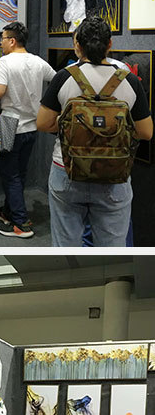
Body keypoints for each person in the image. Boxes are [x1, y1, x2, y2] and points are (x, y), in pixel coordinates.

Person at [37, 17, 152, 247]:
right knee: (112, 250)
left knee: (66, 248)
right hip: (114, 173)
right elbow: (146, 132)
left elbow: (43, 124)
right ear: (109, 45)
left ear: (77, 45)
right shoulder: (130, 81)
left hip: (66, 170)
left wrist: (71, 123)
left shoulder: (64, 77)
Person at [0, 22, 54, 239]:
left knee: (9, 175)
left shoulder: (5, 62)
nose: (0, 43)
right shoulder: (37, 61)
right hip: (32, 127)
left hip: (9, 126)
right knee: (19, 173)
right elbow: (57, 80)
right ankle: (8, 212)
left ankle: (20, 223)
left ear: (12, 40)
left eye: (2, 39)